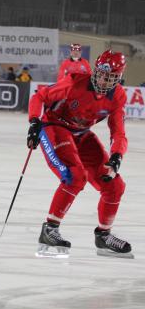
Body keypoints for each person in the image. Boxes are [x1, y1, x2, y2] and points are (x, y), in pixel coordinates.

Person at [26, 50, 131, 258]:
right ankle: (50, 229)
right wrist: (34, 121)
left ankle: (103, 235)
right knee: (75, 176)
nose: (103, 80)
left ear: (118, 78)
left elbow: (118, 131)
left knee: (114, 185)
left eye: (109, 77)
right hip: (55, 126)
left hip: (81, 133)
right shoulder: (74, 82)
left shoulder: (118, 95)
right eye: (101, 73)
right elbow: (40, 96)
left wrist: (117, 155)